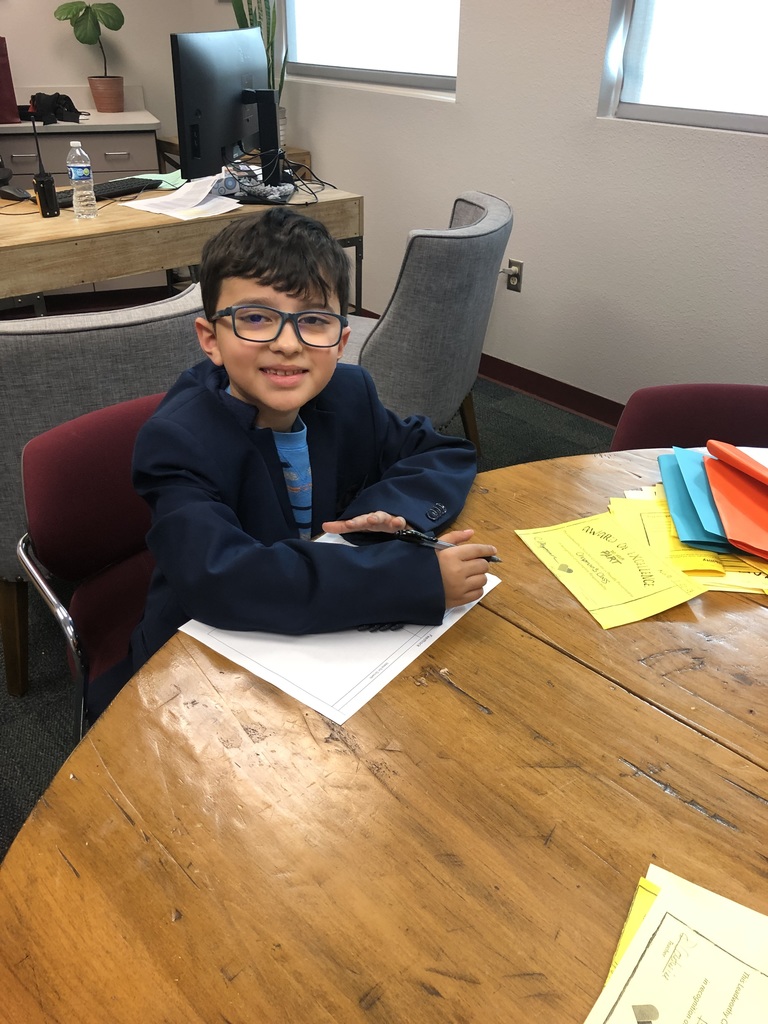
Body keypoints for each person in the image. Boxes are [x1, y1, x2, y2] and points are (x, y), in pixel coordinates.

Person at [87, 208, 497, 720]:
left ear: (340, 342)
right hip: (204, 655)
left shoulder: (350, 393)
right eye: (256, 317)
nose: (288, 342)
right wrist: (410, 579)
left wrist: (376, 520)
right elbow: (222, 579)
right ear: (210, 338)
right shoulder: (177, 440)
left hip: (321, 641)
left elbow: (441, 452)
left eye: (314, 320)